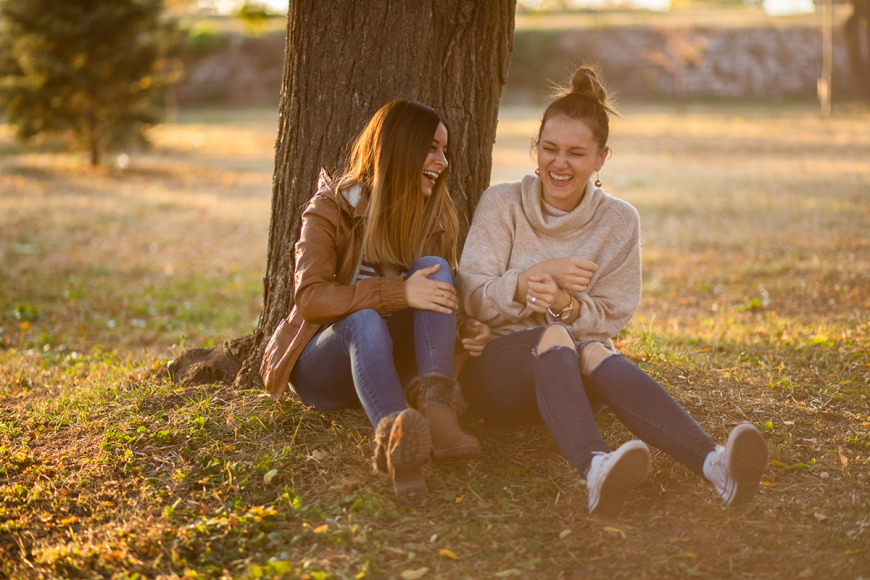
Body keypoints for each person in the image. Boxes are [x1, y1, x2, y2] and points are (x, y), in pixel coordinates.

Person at [456, 67, 768, 517]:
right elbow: (472, 296)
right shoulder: (501, 204)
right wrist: (530, 280)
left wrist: (564, 303)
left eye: (576, 153)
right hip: (498, 378)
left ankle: (715, 465)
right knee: (561, 338)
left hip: (574, 378)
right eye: (550, 149)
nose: (559, 164)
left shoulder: (619, 221)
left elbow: (613, 314)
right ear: (535, 149)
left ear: (601, 158)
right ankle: (596, 467)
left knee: (597, 349)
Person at [273, 100, 484, 505]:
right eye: (432, 149)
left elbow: (430, 309)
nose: (443, 162)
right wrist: (396, 293)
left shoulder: (432, 217)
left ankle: (438, 414)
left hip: (393, 367)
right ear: (400, 148)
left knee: (436, 267)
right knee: (366, 320)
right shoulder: (330, 208)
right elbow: (311, 299)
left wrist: (467, 328)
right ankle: (394, 437)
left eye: (445, 150)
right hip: (326, 367)